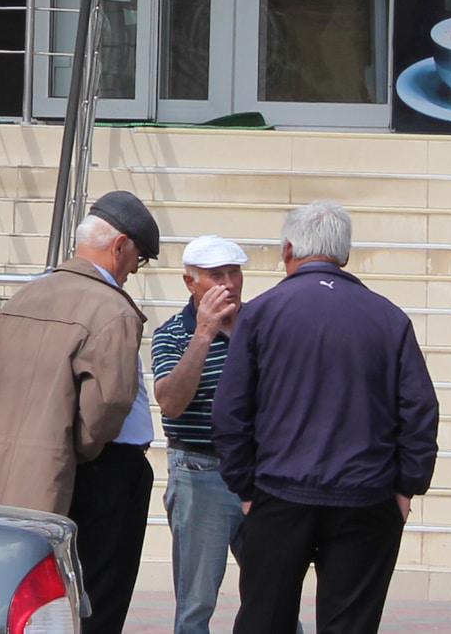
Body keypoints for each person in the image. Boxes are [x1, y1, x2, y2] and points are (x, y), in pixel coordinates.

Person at [215, 200, 439, 634]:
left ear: (288, 249)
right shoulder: (389, 318)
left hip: (279, 492)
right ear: (345, 255)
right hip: (366, 495)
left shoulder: (261, 313)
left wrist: (244, 485)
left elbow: (230, 411)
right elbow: (419, 410)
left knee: (264, 620)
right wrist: (407, 486)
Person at [0, 190, 160, 634]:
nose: (133, 270)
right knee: (97, 598)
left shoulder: (30, 293)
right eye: (138, 259)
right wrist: (75, 448)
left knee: (39, 599)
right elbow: (108, 403)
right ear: (120, 246)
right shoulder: (111, 308)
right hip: (101, 472)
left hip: (37, 467)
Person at [154, 234, 293, 634]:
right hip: (201, 472)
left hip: (262, 473)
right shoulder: (174, 334)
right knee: (197, 602)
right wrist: (203, 335)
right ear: (190, 282)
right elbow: (171, 403)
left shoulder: (263, 325)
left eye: (235, 273)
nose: (229, 284)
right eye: (217, 275)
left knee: (275, 593)